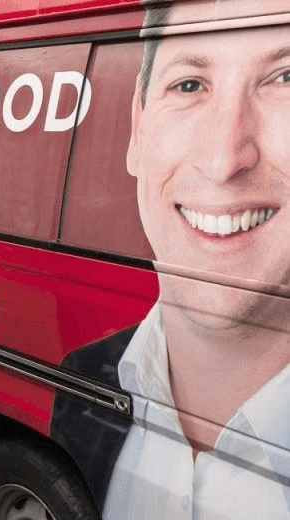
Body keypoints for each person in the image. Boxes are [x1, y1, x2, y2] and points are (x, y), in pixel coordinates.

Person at [51, 1, 290, 518]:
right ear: (137, 128)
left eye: (285, 78)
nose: (224, 159)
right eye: (188, 85)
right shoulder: (84, 381)